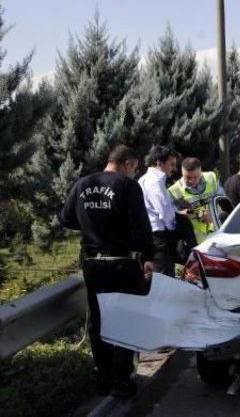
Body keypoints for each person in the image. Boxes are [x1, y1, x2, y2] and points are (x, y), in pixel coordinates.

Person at [58, 145, 153, 398]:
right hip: (123, 262)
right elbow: (142, 227)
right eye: (134, 168)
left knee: (100, 321)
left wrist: (93, 223)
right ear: (127, 164)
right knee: (126, 319)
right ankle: (122, 380)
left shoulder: (82, 184)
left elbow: (66, 219)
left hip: (93, 263)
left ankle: (103, 377)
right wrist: (149, 257)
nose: (133, 174)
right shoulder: (127, 186)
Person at [138, 145, 181, 277]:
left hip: (151, 234)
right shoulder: (154, 182)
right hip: (157, 236)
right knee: (164, 277)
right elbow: (164, 212)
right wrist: (176, 224)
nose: (174, 168)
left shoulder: (149, 180)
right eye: (171, 164)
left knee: (158, 275)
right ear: (159, 163)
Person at [168, 157, 225, 245]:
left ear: (200, 172)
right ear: (182, 173)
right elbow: (171, 216)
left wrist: (213, 215)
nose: (192, 180)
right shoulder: (174, 191)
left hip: (219, 235)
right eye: (187, 177)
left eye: (196, 177)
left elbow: (223, 201)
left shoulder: (211, 177)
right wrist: (182, 214)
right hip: (195, 241)